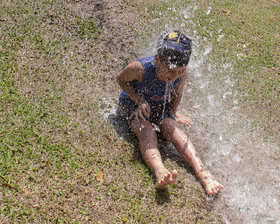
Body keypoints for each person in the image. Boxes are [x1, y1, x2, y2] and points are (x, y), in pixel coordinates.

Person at [117, 30, 223, 195]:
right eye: (171, 71)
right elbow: (121, 79)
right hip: (134, 106)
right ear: (157, 59)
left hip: (160, 106)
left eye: (180, 71)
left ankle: (204, 173)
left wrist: (173, 114)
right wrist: (139, 101)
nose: (175, 76)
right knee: (147, 130)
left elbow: (177, 93)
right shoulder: (140, 68)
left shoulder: (181, 74)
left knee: (172, 128)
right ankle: (159, 170)